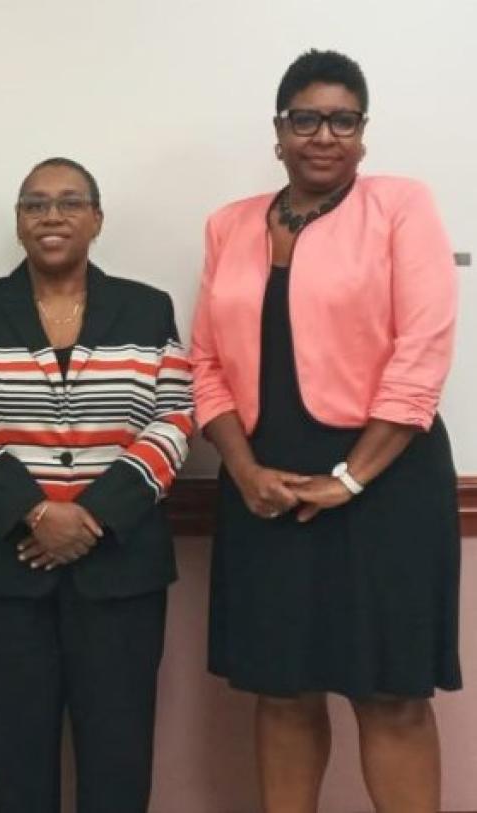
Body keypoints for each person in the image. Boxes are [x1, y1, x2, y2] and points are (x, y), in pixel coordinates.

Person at [190, 49, 460, 813]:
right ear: (278, 132)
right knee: (281, 689)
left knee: (392, 693)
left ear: (363, 136)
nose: (324, 135)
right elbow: (205, 361)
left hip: (387, 481)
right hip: (266, 483)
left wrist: (350, 478)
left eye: (344, 120)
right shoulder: (228, 224)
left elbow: (422, 353)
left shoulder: (402, 206)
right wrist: (241, 471)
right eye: (306, 118)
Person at [0, 157, 192, 812]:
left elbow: (175, 418)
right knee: (16, 760)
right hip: (2, 568)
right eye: (35, 203)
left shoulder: (147, 307)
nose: (52, 215)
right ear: (18, 222)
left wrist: (90, 516)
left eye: (70, 202)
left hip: (120, 568)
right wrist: (34, 512)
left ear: (97, 219)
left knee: (120, 757)